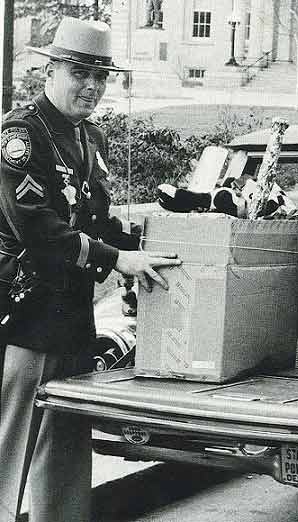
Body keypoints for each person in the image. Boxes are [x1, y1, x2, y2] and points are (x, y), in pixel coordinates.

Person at [0, 17, 180, 522]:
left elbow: (97, 219)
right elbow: (38, 229)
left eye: (101, 76)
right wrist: (117, 260)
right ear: (50, 71)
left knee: (64, 448)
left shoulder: (89, 138)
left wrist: (154, 244)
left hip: (74, 318)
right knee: (12, 444)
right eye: (80, 73)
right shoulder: (21, 136)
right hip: (27, 314)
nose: (93, 87)